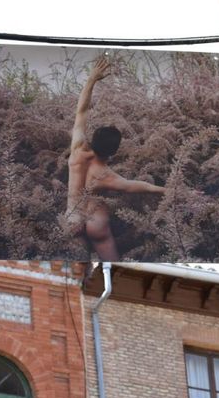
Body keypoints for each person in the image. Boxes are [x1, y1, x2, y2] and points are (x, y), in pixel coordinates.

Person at [64, 57, 166, 261]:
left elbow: (81, 111)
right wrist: (169, 190)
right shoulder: (106, 176)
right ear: (114, 152)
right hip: (96, 223)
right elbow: (141, 186)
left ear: (92, 139)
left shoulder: (78, 150)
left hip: (72, 219)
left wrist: (92, 79)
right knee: (114, 266)